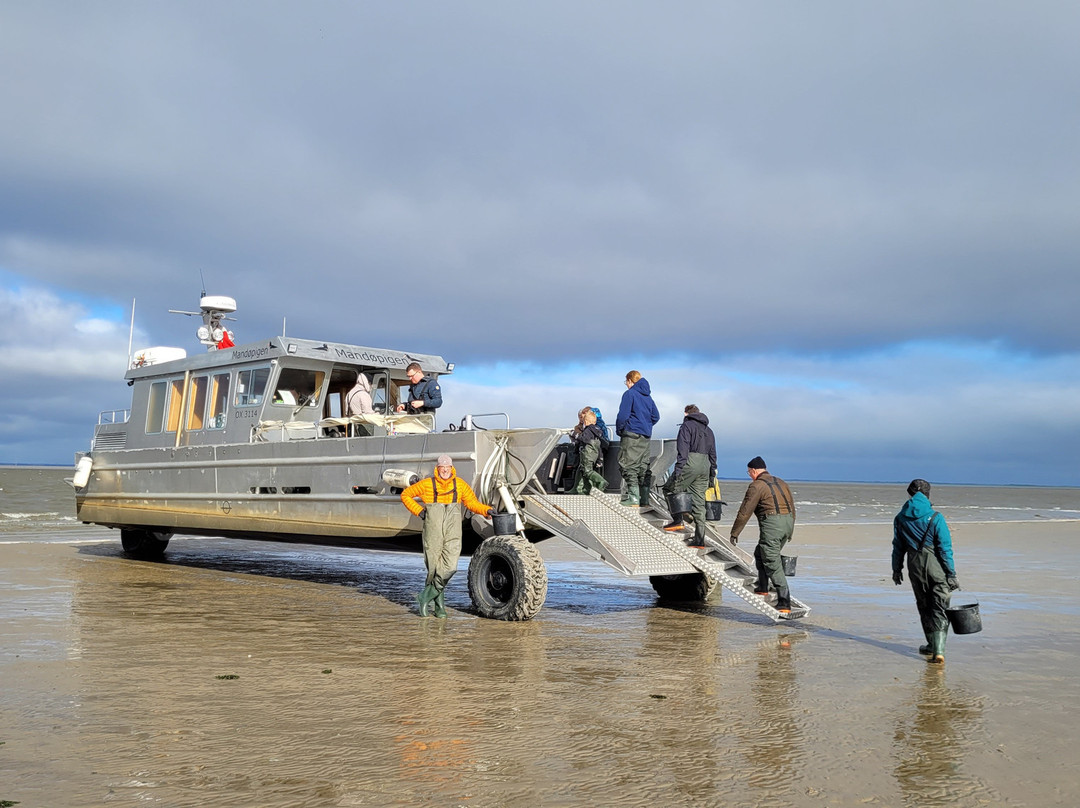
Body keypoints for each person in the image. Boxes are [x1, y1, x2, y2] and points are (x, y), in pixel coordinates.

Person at [400, 455, 493, 618]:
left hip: (453, 529)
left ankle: (425, 596)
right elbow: (406, 495)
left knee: (450, 566)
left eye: (447, 467)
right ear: (437, 468)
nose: (444, 470)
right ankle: (439, 606)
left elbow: (472, 503)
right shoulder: (427, 484)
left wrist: (487, 510)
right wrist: (420, 511)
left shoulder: (460, 485)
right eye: (442, 467)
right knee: (434, 567)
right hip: (432, 529)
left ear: (451, 468)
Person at [892, 479, 960, 664]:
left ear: (909, 495)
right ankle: (939, 650)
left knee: (924, 606)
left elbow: (898, 547)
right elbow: (945, 549)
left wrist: (896, 569)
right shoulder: (936, 517)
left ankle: (931, 645)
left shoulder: (900, 518)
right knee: (940, 607)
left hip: (915, 567)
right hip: (937, 567)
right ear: (928, 494)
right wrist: (951, 574)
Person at [730, 456, 796, 612]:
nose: (750, 476)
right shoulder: (781, 482)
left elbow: (745, 511)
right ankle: (763, 586)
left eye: (749, 473)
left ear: (753, 471)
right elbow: (792, 506)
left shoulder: (757, 486)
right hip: (787, 523)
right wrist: (790, 531)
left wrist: (735, 533)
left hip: (773, 525)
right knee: (760, 553)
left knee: (771, 561)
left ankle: (784, 601)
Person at [662, 405, 717, 548]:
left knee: (670, 488)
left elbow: (683, 448)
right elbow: (713, 453)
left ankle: (677, 520)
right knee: (699, 502)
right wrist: (712, 472)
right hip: (706, 465)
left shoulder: (686, 426)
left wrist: (679, 468)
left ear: (686, 413)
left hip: (690, 461)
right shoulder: (709, 430)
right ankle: (699, 540)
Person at [615, 370, 660, 507]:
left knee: (628, 465)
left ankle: (633, 498)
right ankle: (644, 499)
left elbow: (623, 415)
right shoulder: (648, 398)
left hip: (631, 434)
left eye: (626, 382)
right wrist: (645, 425)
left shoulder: (630, 394)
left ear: (630, 381)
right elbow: (656, 416)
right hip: (645, 436)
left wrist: (621, 429)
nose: (626, 385)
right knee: (643, 467)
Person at [571, 408, 608, 495]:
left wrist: (574, 434)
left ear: (586, 422)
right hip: (594, 455)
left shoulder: (588, 430)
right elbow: (599, 447)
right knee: (583, 470)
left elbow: (584, 439)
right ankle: (586, 489)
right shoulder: (597, 432)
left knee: (587, 471)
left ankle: (601, 481)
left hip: (587, 454)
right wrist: (600, 459)